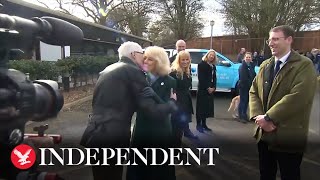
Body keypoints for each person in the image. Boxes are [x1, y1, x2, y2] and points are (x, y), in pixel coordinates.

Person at [80, 42, 177, 180]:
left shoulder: (108, 69)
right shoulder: (133, 71)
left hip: (94, 132)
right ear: (133, 54)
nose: (144, 58)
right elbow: (152, 110)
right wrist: (172, 103)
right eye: (142, 54)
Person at [249, 25, 317, 180]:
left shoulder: (304, 65)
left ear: (289, 40)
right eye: (269, 40)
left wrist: (269, 118)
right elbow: (253, 91)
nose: (271, 43)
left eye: (275, 39)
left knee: (290, 175)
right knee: (265, 174)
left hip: (289, 135)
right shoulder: (265, 65)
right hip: (265, 134)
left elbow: (299, 96)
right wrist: (260, 118)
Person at [127, 46, 176, 180]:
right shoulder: (141, 78)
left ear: (159, 62)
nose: (146, 61)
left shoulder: (170, 81)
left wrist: (155, 96)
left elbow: (172, 108)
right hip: (142, 127)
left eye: (150, 59)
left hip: (160, 129)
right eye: (145, 58)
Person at [170, 50, 198, 146]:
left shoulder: (186, 71)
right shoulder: (174, 72)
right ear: (178, 60)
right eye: (183, 60)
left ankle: (176, 147)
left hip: (185, 102)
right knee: (176, 128)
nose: (185, 62)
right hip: (177, 104)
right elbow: (171, 88)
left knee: (181, 127)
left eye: (187, 59)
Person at [196, 49, 217, 133]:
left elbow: (214, 78)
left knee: (206, 108)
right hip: (202, 89)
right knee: (200, 108)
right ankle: (198, 125)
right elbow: (201, 78)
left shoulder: (213, 66)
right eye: (210, 55)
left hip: (210, 90)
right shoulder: (201, 65)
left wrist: (214, 87)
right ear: (207, 55)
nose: (211, 56)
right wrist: (208, 88)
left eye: (213, 55)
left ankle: (204, 124)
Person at [238, 52, 256, 123]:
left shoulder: (251, 66)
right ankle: (241, 116)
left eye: (249, 57)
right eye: (247, 57)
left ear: (251, 58)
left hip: (249, 87)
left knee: (247, 101)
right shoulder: (242, 67)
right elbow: (243, 78)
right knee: (243, 101)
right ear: (244, 58)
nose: (248, 58)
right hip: (243, 86)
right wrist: (250, 84)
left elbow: (253, 74)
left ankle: (244, 114)